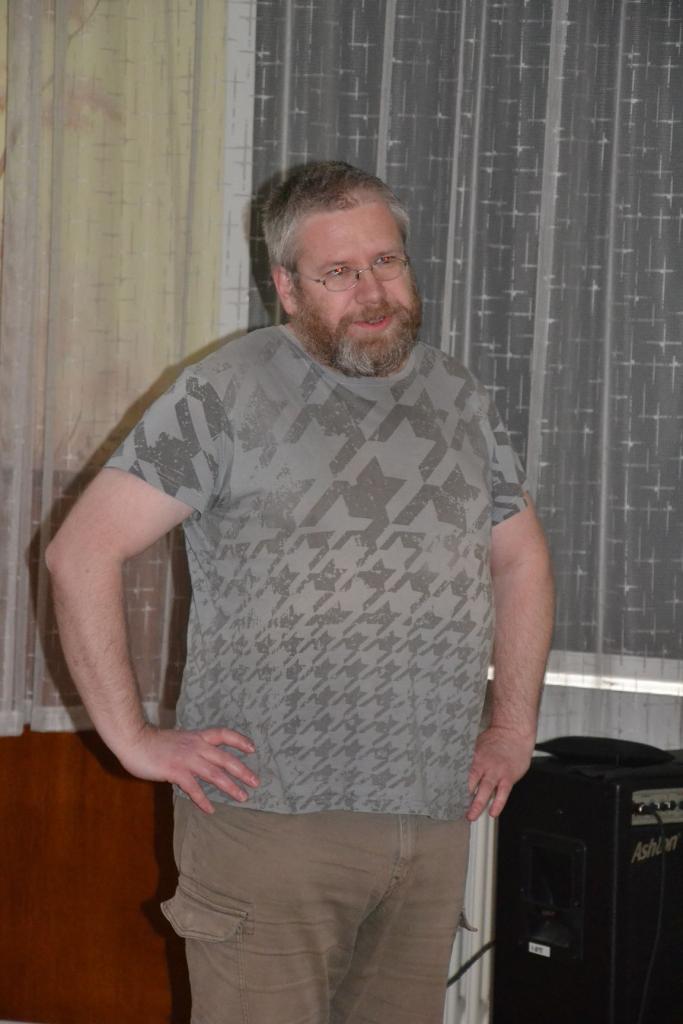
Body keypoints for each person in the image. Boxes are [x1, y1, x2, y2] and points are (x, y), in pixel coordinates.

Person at [46, 160, 554, 1024]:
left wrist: (510, 727)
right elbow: (80, 552)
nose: (372, 292)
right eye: (337, 272)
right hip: (268, 821)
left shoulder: (458, 396)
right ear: (285, 287)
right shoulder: (225, 392)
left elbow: (519, 561)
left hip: (431, 815)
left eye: (386, 261)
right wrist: (131, 740)